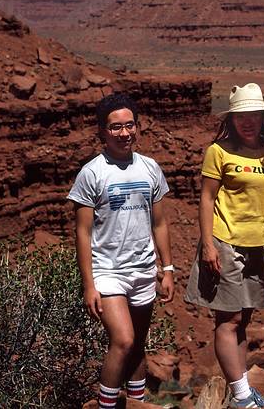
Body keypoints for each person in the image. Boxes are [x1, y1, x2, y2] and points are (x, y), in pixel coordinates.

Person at [68, 92, 175, 409]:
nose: (124, 133)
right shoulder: (92, 172)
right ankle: (107, 406)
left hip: (143, 270)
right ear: (102, 131)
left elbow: (160, 223)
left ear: (138, 127)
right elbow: (82, 231)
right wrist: (89, 284)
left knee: (138, 345)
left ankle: (137, 403)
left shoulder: (150, 168)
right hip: (108, 272)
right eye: (116, 127)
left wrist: (167, 269)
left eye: (130, 125)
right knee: (124, 340)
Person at [185, 83, 264, 408]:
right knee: (228, 321)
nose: (247, 121)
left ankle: (243, 392)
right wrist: (208, 245)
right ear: (232, 119)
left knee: (244, 322)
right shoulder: (218, 151)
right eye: (241, 116)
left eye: (254, 115)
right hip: (225, 241)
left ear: (262, 117)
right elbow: (207, 198)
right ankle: (242, 397)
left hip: (259, 243)